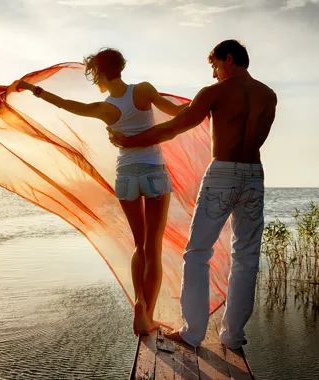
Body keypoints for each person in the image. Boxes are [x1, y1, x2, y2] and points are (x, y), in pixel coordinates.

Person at [108, 40, 277, 349]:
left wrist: (130, 142)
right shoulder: (269, 95)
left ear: (228, 59)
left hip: (223, 173)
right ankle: (232, 336)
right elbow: (257, 136)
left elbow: (174, 127)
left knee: (197, 252)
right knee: (246, 257)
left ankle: (193, 333)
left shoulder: (215, 93)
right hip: (254, 175)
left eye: (214, 66)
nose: (213, 74)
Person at [12, 48, 188, 336]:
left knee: (139, 245)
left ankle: (140, 303)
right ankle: (150, 316)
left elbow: (67, 105)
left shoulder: (104, 108)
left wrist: (35, 89)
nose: (94, 80)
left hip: (127, 176)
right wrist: (209, 101)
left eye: (94, 74)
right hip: (154, 173)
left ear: (103, 73)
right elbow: (175, 111)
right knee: (154, 248)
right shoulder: (143, 90)